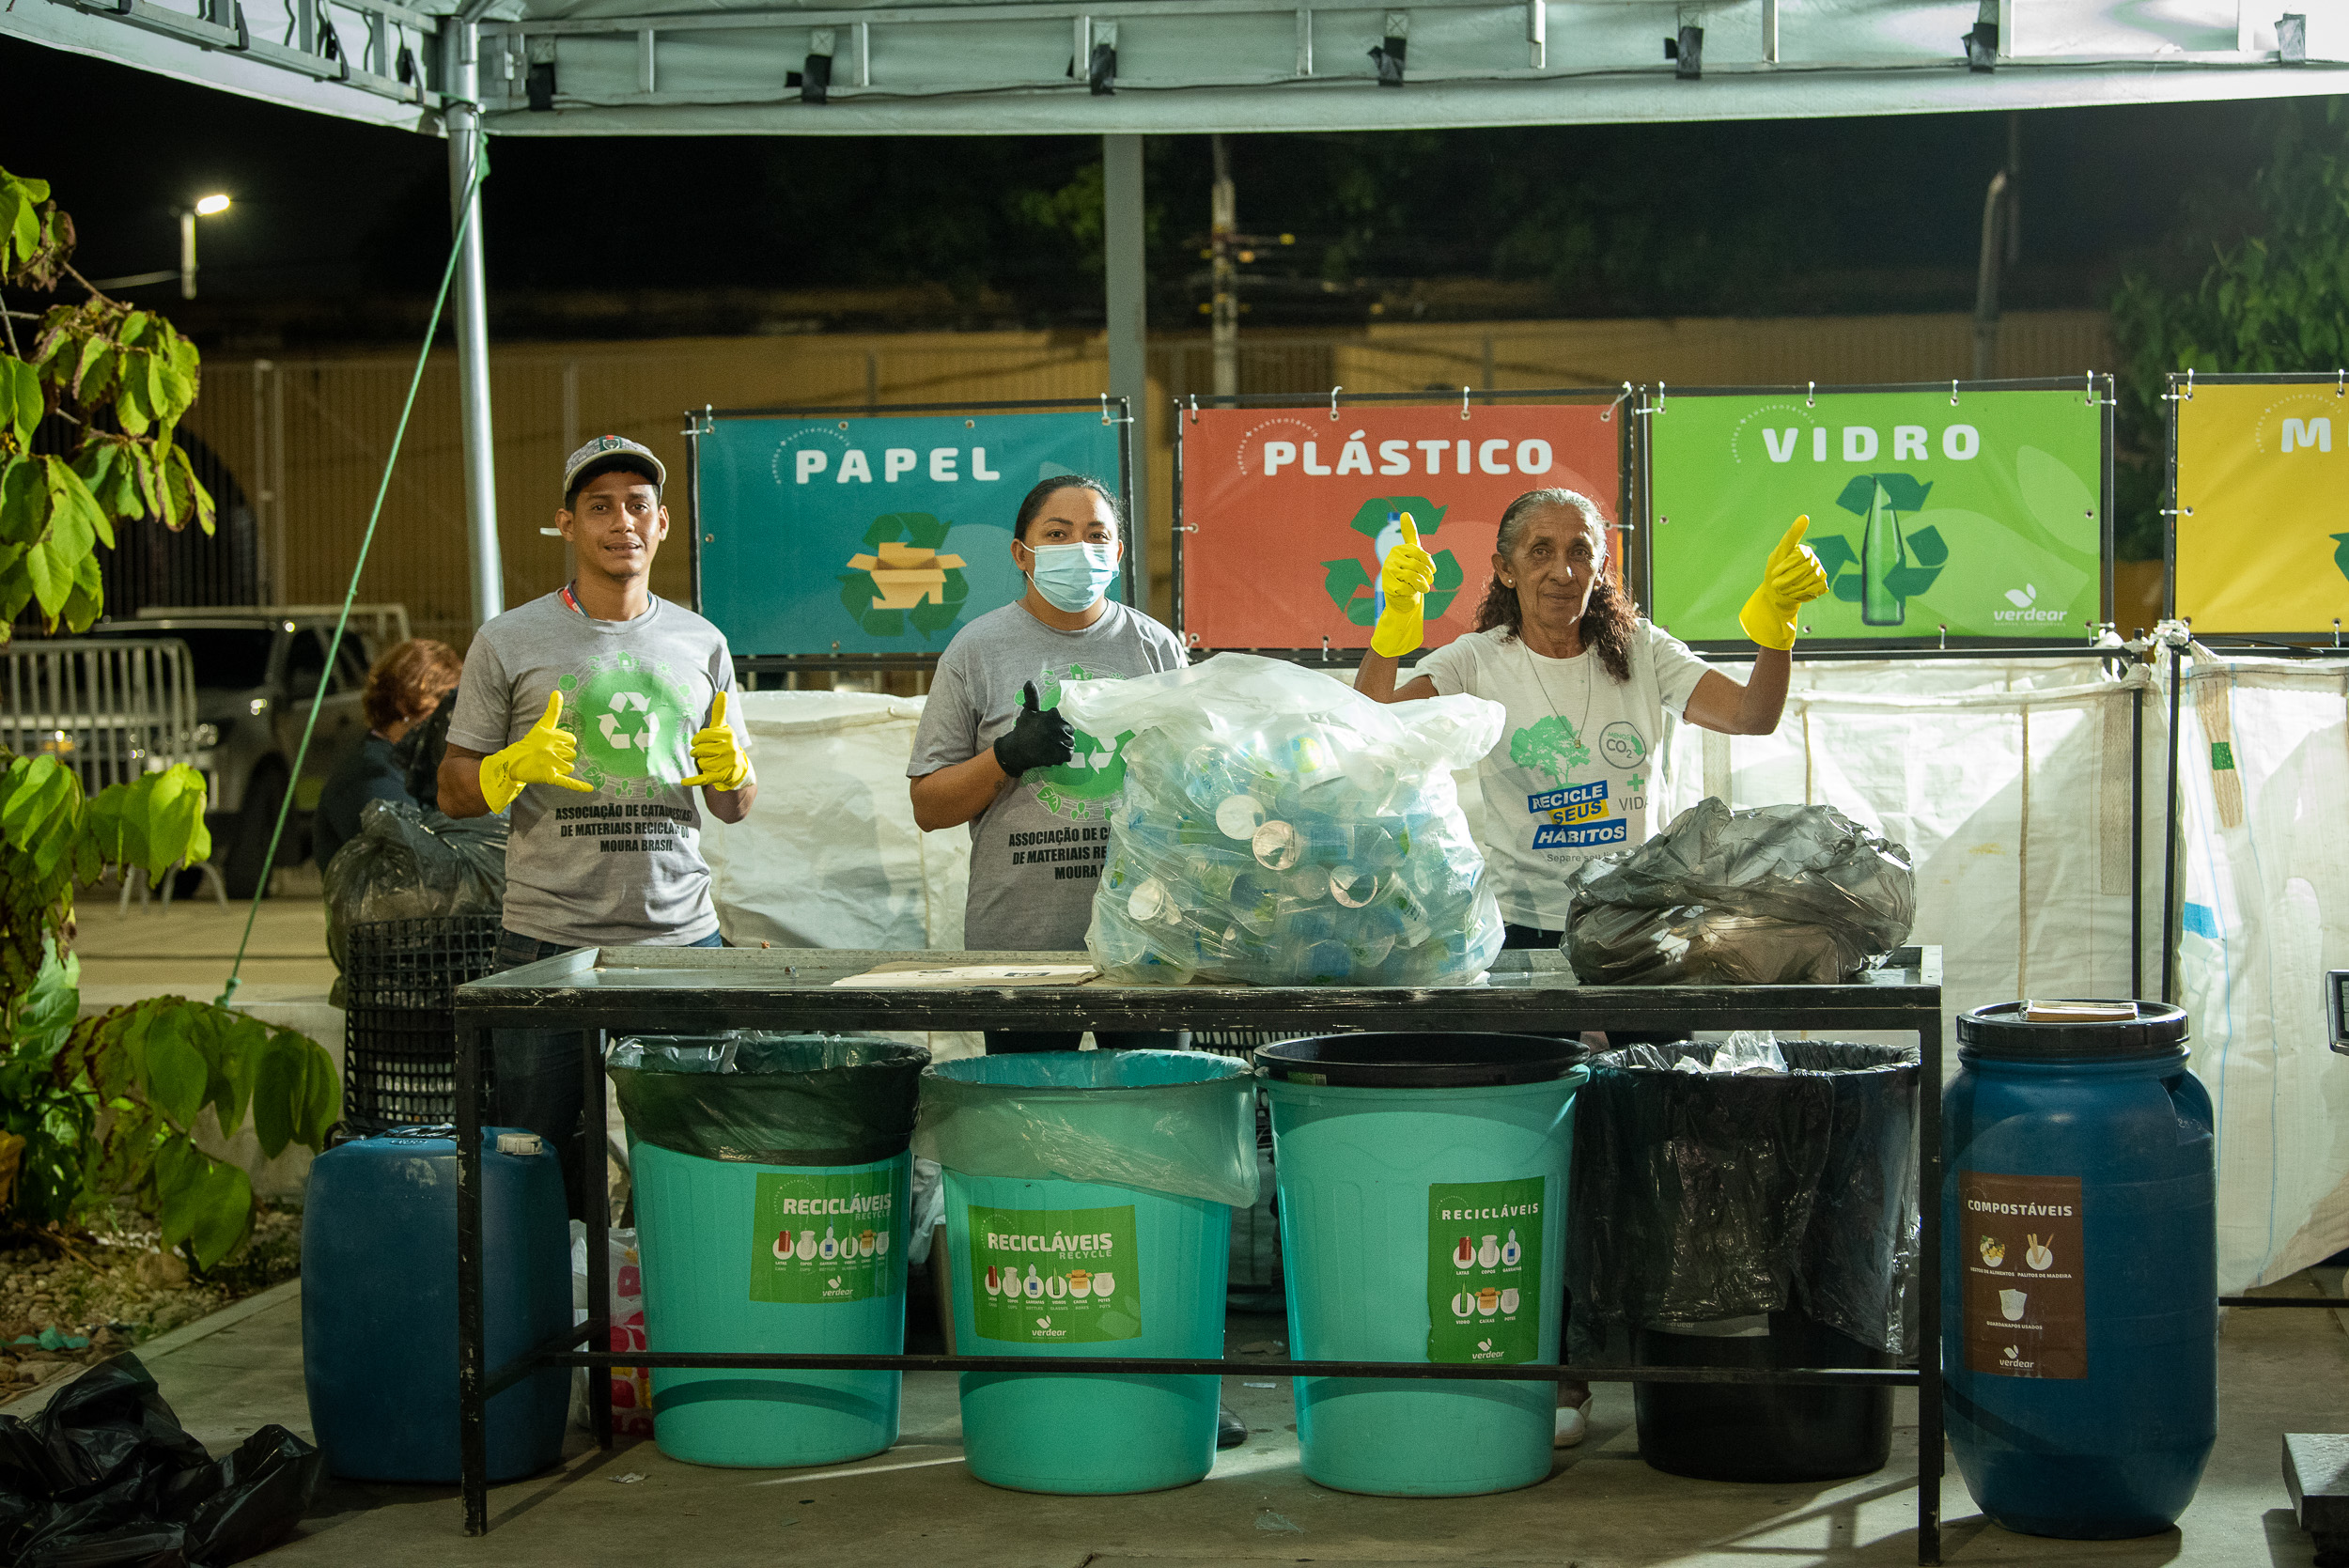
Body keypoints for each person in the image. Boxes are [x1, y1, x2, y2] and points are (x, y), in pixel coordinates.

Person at [1354, 484, 1828, 1446]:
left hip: (1642, 935)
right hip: (1526, 938)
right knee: (1544, 1152)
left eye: (1580, 550)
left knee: (1668, 1142)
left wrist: (1773, 627)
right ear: (1501, 567)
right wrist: (1392, 627)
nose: (1562, 569)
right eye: (1538, 550)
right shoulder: (1478, 662)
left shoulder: (1639, 655)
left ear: (1601, 564)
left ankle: (1672, 1363)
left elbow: (1753, 715)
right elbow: (1371, 726)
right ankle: (1559, 1373)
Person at [440, 434, 756, 1219]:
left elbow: (734, 806)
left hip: (681, 943)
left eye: (638, 506)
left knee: (692, 1156)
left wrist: (735, 772)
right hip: (550, 940)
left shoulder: (701, 641)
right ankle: (539, 1329)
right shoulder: (509, 639)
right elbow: (451, 792)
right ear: (567, 525)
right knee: (529, 1160)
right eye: (600, 506)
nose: (623, 521)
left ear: (662, 525)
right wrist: (509, 764)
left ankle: (674, 1317)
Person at [908, 474, 1188, 1053]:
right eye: (1057, 534)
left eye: (1096, 535)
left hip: (1145, 937)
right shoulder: (977, 651)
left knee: (1151, 1117)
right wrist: (1005, 757)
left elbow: (1194, 787)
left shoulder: (1156, 649)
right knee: (1028, 1123)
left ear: (1116, 553)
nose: (1079, 550)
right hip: (1020, 949)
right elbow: (929, 806)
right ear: (1022, 553)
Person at [312, 637, 461, 870]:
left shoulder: (414, 764)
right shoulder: (369, 773)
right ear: (404, 702)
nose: (450, 717)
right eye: (440, 703)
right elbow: (410, 861)